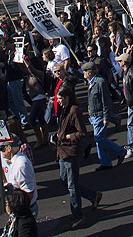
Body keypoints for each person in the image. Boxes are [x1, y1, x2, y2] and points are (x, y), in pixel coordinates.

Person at [55, 84, 100, 230]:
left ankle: (78, 216)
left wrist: (69, 136)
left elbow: (82, 132)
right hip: (62, 151)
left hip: (71, 152)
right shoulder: (64, 109)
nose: (58, 101)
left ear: (67, 98)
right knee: (64, 182)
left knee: (72, 186)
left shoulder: (74, 111)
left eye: (60, 98)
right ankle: (92, 195)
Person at [81, 61, 125, 170]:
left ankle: (120, 151)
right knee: (99, 140)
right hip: (94, 115)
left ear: (90, 72)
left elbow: (106, 102)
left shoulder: (100, 82)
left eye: (85, 72)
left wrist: (106, 117)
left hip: (100, 115)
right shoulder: (91, 82)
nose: (83, 74)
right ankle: (105, 162)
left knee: (99, 139)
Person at [0, 134, 37, 220]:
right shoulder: (14, 162)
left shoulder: (20, 165)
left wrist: (17, 212)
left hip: (24, 212)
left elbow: (28, 193)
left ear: (9, 149)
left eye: (1, 149)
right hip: (19, 210)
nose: (0, 152)